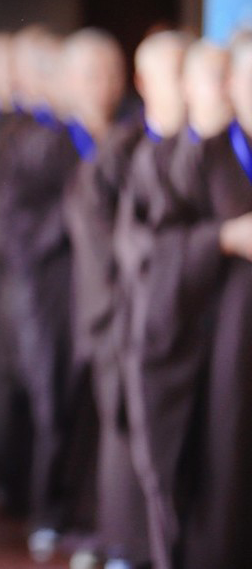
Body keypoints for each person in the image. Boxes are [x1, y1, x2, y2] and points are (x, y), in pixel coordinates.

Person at [138, 37, 252, 568]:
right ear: (231, 86)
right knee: (224, 498)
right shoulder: (192, 156)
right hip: (220, 360)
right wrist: (223, 239)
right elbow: (153, 253)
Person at [113, 34, 220, 569]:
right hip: (159, 327)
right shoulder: (143, 156)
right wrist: (217, 242)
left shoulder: (213, 151)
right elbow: (140, 251)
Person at [0, 26, 85, 558]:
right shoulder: (26, 139)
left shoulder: (89, 134)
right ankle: (46, 507)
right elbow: (10, 223)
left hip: (81, 284)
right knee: (48, 394)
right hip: (39, 283)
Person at [59, 29, 148, 567]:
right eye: (93, 73)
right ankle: (83, 523)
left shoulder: (131, 141)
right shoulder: (41, 139)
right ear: (69, 81)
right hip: (68, 301)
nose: (105, 85)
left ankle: (114, 532)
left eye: (114, 72)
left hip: (119, 303)